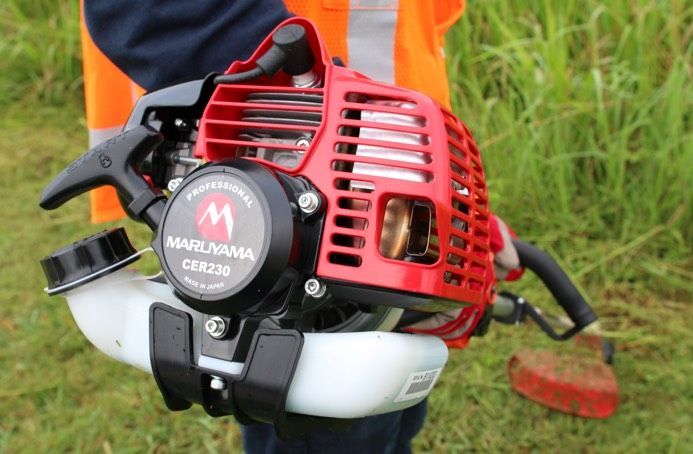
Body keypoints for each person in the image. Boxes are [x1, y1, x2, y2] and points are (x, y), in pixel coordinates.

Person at [80, 1, 523, 452]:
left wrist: (451, 209)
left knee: (391, 425)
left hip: (386, 202)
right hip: (302, 223)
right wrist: (292, 100)